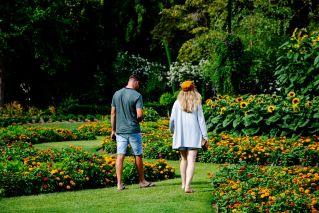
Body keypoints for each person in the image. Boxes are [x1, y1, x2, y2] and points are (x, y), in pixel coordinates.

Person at [110, 74, 155, 191]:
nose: (139, 87)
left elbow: (113, 113)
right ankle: (142, 181)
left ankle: (119, 184)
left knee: (120, 156)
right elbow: (140, 115)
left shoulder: (117, 94)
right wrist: (140, 118)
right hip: (133, 130)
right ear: (136, 82)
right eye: (139, 84)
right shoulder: (137, 95)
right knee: (138, 154)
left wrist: (113, 130)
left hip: (120, 131)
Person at [169, 80, 208, 193]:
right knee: (191, 160)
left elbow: (172, 120)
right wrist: (205, 136)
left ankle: (183, 183)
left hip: (180, 135)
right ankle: (187, 186)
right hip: (193, 135)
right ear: (193, 89)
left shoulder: (177, 103)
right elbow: (201, 121)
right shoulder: (196, 102)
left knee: (184, 159)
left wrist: (173, 131)